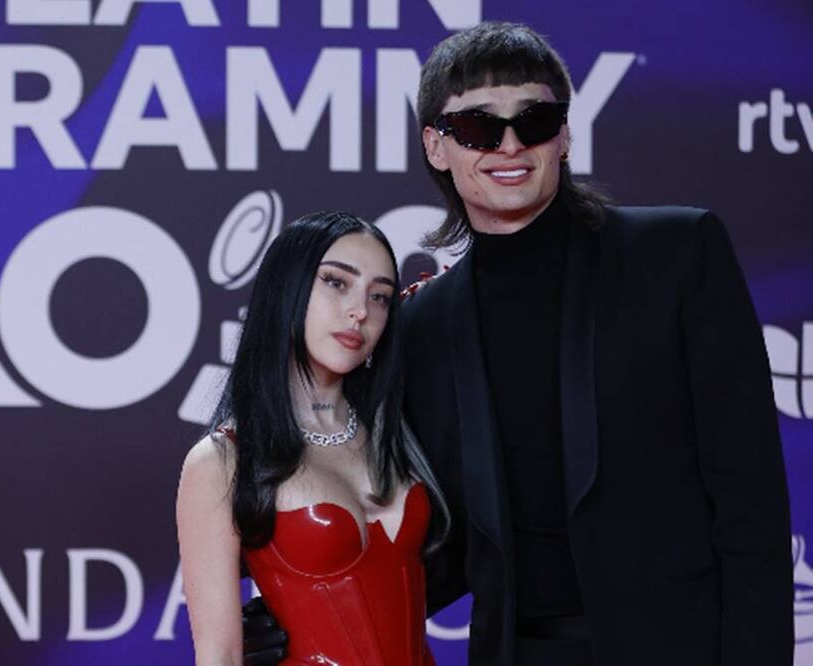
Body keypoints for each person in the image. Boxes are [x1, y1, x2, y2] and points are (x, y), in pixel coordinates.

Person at [245, 21, 795, 666]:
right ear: (436, 147)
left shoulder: (677, 255)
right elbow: (444, 546)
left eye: (534, 121)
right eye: (478, 127)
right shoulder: (423, 324)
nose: (509, 145)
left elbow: (750, 498)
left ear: (564, 137)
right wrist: (299, 613)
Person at [177, 211, 452, 665]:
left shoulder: (396, 432)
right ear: (286, 290)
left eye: (380, 296)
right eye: (336, 283)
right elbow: (219, 655)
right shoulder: (221, 461)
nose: (360, 311)